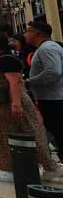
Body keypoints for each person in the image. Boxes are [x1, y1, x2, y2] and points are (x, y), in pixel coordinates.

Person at [0, 31, 59, 181]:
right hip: (0, 103)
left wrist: (16, 104)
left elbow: (15, 81)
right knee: (3, 133)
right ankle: (8, 165)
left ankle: (19, 168)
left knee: (26, 131)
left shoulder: (6, 60)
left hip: (11, 101)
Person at [28, 20, 63, 162]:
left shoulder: (47, 49)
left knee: (58, 130)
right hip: (49, 97)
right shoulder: (46, 48)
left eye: (28, 31)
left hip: (53, 98)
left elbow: (53, 72)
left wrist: (30, 81)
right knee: (54, 130)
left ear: (37, 33)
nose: (26, 34)